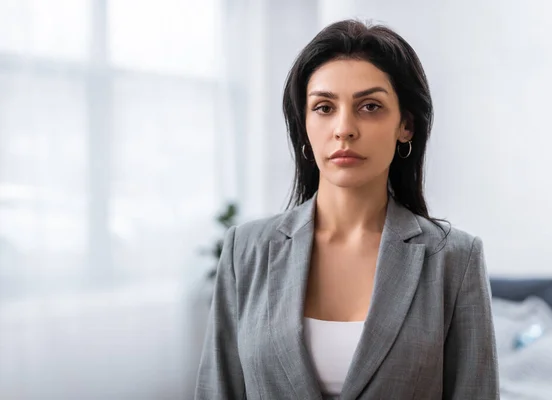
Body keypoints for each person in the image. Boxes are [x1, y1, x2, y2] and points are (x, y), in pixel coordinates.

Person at [196, 19, 499, 400]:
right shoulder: (246, 250)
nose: (344, 128)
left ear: (405, 124)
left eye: (369, 106)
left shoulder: (455, 259)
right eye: (323, 107)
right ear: (304, 124)